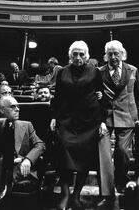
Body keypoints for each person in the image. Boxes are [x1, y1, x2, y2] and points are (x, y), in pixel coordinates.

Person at [50, 40, 104, 210]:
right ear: (70, 55)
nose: (78, 57)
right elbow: (57, 97)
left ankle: (76, 195)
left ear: (86, 55)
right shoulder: (62, 72)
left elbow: (101, 97)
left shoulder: (94, 71)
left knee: (85, 158)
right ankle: (65, 194)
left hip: (89, 121)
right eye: (75, 54)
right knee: (63, 154)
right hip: (66, 120)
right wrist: (54, 117)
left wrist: (102, 121)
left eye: (81, 54)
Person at [98, 40, 139, 202]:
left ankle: (121, 180)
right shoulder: (98, 71)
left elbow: (138, 96)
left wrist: (138, 116)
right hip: (105, 117)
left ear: (122, 54)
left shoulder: (133, 70)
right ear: (106, 56)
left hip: (128, 115)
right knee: (104, 155)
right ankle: (106, 191)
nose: (113, 57)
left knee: (122, 152)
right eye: (110, 54)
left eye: (116, 53)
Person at [0, 96, 45, 191]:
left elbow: (40, 145)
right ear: (2, 110)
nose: (17, 109)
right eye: (13, 106)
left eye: (18, 106)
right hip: (1, 170)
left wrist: (28, 159)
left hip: (22, 170)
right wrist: (10, 161)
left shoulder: (26, 125)